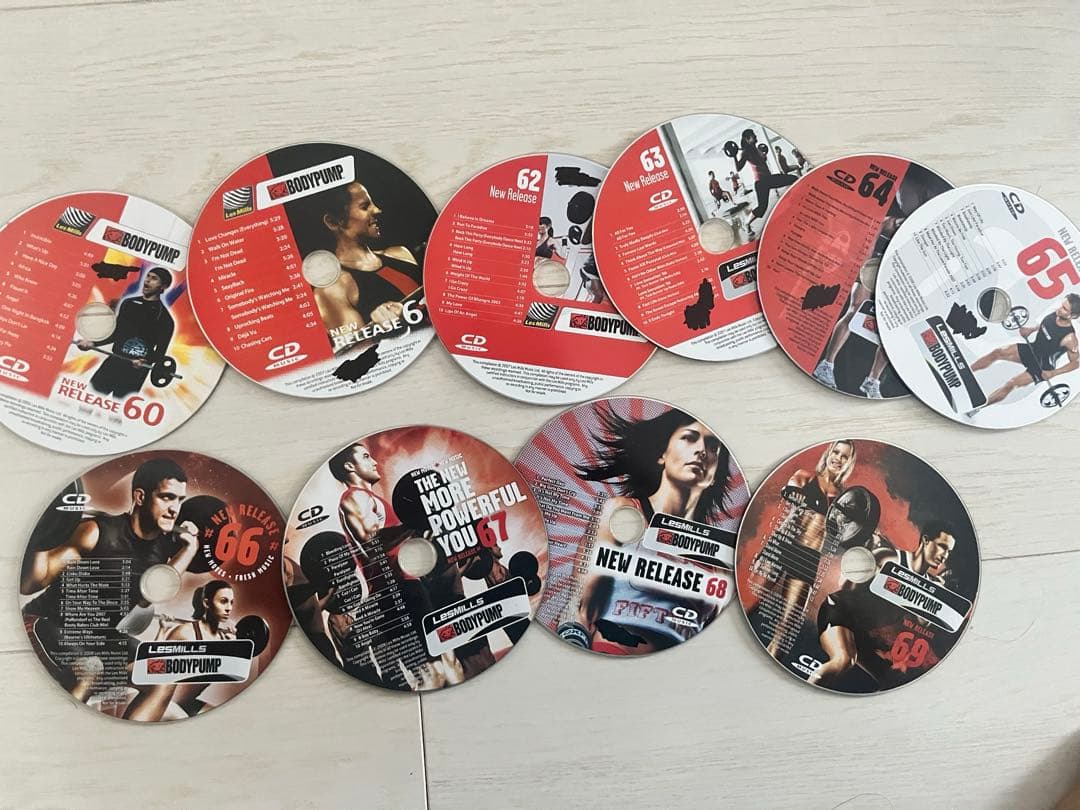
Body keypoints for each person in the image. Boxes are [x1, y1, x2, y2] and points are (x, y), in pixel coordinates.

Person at [20, 458, 198, 707]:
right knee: (91, 669)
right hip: (47, 623)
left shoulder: (163, 545)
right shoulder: (95, 531)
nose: (174, 509)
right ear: (140, 497)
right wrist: (42, 533)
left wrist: (190, 549)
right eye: (167, 497)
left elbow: (152, 592)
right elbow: (30, 584)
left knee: (161, 672)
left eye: (179, 500)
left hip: (102, 637)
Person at [558, 406, 736, 653]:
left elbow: (714, 640)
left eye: (713, 445)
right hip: (609, 655)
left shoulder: (720, 560)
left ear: (715, 474)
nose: (701, 450)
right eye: (689, 437)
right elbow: (581, 609)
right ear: (662, 455)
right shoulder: (622, 513)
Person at [813, 164, 952, 398]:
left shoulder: (933, 230)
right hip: (875, 266)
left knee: (895, 328)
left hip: (901, 276)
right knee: (856, 309)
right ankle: (826, 365)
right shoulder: (895, 221)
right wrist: (864, 266)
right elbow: (874, 233)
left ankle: (872, 382)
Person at [810, 521, 958, 688]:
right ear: (925, 540)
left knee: (890, 681)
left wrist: (935, 599)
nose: (945, 555)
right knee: (843, 660)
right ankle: (809, 687)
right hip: (840, 612)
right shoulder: (889, 558)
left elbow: (922, 623)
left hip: (863, 631)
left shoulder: (931, 587)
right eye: (942, 546)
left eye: (949, 551)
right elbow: (847, 588)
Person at [750, 440, 856, 658]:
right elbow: (790, 492)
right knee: (749, 601)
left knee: (786, 626)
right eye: (836, 452)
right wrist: (797, 496)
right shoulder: (805, 477)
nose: (838, 458)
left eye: (845, 456)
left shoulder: (846, 499)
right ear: (828, 454)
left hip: (808, 558)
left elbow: (848, 531)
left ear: (849, 463)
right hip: (783, 544)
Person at [310, 182, 423, 354]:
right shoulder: (333, 290)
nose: (377, 210)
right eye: (364, 206)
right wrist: (378, 332)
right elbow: (359, 358)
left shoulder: (401, 253)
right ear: (333, 222)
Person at [123, 580, 238, 720]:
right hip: (166, 699)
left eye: (231, 602)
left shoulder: (224, 639)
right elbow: (153, 664)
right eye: (223, 601)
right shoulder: (186, 633)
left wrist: (234, 650)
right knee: (186, 719)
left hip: (186, 702)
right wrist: (163, 630)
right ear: (207, 603)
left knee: (224, 719)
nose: (229, 608)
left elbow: (230, 674)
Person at [76, 267, 174, 397]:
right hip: (114, 363)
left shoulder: (166, 319)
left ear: (164, 286)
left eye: (154, 279)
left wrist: (145, 361)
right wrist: (93, 343)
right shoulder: (129, 303)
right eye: (148, 276)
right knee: (91, 397)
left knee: (118, 407)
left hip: (135, 372)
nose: (148, 281)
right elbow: (116, 333)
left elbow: (160, 353)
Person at [971, 295, 1080, 406]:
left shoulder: (1070, 338)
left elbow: (1076, 363)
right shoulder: (1055, 314)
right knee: (998, 352)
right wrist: (1031, 330)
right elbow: (1046, 325)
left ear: (1073, 316)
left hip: (1042, 366)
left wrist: (1053, 373)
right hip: (1033, 349)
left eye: (1064, 309)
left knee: (1011, 384)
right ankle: (968, 372)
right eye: (1062, 305)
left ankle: (980, 406)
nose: (1060, 309)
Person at [730, 128, 796, 237]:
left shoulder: (755, 148)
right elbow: (738, 168)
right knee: (762, 208)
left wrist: (763, 155)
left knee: (793, 179)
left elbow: (761, 160)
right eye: (753, 136)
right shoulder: (746, 152)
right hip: (761, 182)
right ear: (747, 139)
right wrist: (734, 156)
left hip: (768, 179)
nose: (755, 136)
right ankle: (747, 223)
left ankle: (792, 206)